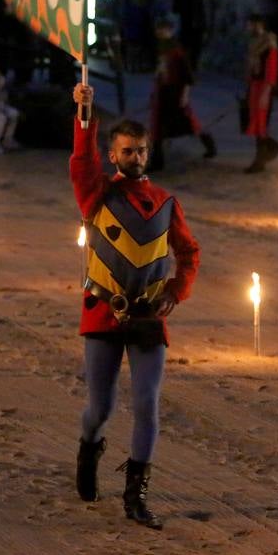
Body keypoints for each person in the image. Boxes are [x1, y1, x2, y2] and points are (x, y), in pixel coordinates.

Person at [70, 82, 200, 529]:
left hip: (147, 316)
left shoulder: (166, 202)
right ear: (114, 155)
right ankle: (89, 450)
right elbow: (81, 162)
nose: (136, 158)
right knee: (100, 409)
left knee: (147, 404)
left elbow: (189, 254)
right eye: (127, 151)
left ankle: (135, 497)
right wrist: (85, 114)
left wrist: (174, 293)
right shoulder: (97, 193)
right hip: (103, 311)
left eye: (141, 151)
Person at [148, 18, 216, 171]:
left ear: (170, 31)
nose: (160, 33)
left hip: (175, 92)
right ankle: (157, 162)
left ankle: (209, 144)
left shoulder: (177, 51)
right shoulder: (161, 48)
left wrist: (184, 95)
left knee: (189, 123)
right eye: (159, 30)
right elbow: (160, 71)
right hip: (163, 92)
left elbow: (187, 76)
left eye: (163, 30)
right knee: (157, 127)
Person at [242, 13, 278, 174]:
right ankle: (263, 157)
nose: (248, 27)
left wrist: (266, 91)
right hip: (255, 86)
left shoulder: (269, 44)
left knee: (261, 124)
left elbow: (271, 69)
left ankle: (262, 158)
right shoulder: (254, 43)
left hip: (264, 87)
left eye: (250, 24)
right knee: (256, 123)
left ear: (258, 24)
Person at [171, 0, 208, 69]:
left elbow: (204, 3)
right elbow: (175, 2)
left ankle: (192, 66)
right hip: (184, 18)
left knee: (196, 44)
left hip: (197, 18)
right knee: (185, 43)